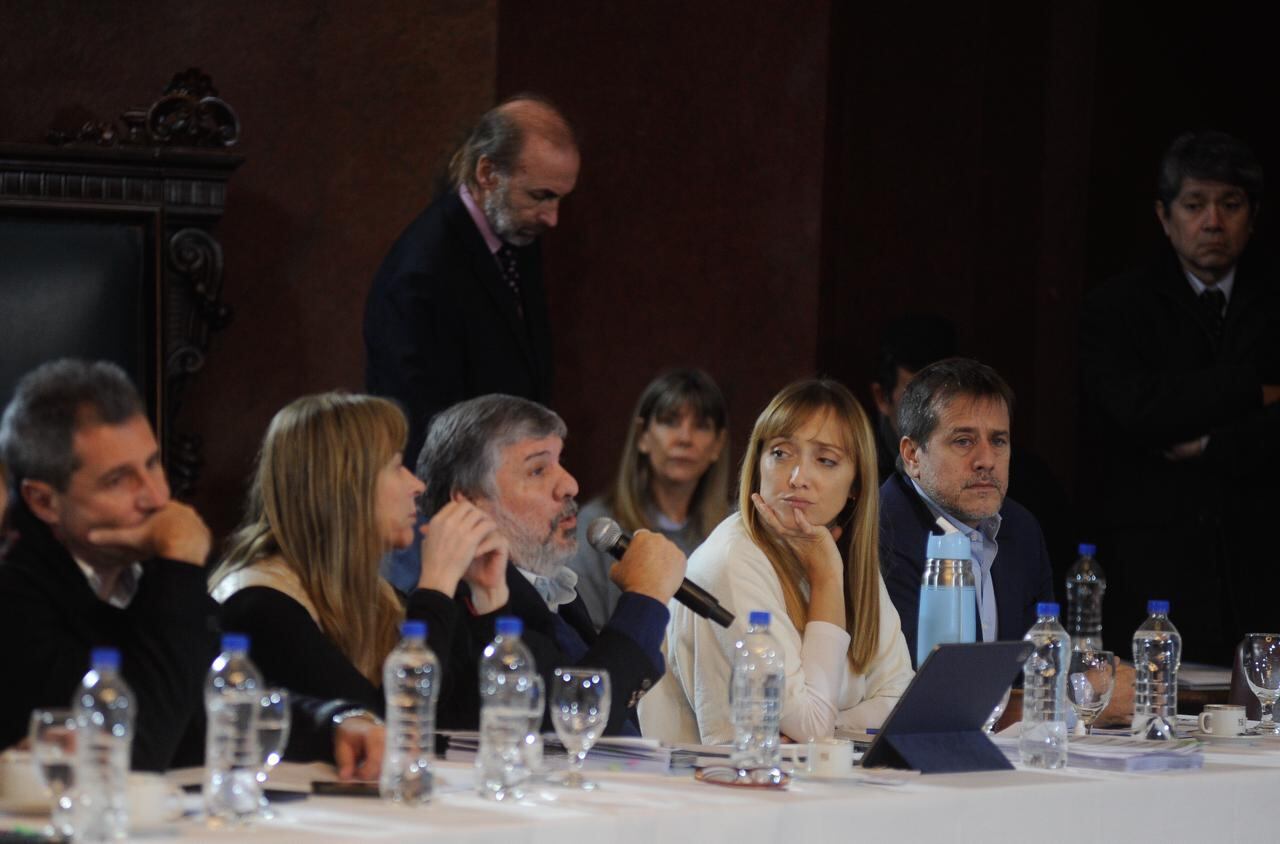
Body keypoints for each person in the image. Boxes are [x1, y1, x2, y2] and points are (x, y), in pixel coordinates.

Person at [0, 361, 383, 777]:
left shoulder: (141, 569)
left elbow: (205, 708)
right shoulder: (15, 594)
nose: (154, 495)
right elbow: (129, 758)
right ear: (43, 501)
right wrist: (178, 565)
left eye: (152, 464)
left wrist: (330, 723)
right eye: (117, 480)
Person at [1080, 130, 1280, 664]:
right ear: (1165, 217)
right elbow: (1134, 408)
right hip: (1154, 572)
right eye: (1195, 205)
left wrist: (1212, 445)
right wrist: (1252, 391)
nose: (1213, 221)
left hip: (1259, 568)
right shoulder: (1118, 305)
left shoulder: (1273, 302)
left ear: (1253, 215)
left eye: (1230, 204)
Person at [640, 379, 913, 744]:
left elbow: (899, 700)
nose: (798, 478)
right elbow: (811, 726)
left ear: (856, 487)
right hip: (711, 788)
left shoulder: (837, 551)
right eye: (781, 454)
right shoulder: (733, 560)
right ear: (758, 464)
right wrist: (827, 580)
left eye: (826, 460)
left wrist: (822, 728)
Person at [209, 392, 509, 719]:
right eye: (396, 466)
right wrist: (435, 587)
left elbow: (460, 723)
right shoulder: (259, 603)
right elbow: (380, 728)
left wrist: (487, 598)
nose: (417, 485)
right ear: (343, 487)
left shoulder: (375, 594)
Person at [415, 394, 688, 735]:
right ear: (468, 501)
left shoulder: (553, 588)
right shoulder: (462, 602)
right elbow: (566, 718)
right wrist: (644, 600)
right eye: (538, 469)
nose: (570, 484)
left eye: (561, 462)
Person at [364, 94, 579, 464]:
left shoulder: (516, 234)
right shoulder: (421, 274)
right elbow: (421, 431)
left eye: (559, 199)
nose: (552, 217)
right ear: (487, 174)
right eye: (540, 196)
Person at [880, 358, 1056, 667]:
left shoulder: (1022, 529)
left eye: (998, 440)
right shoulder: (881, 529)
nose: (986, 460)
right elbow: (918, 685)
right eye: (964, 441)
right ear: (912, 456)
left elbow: (1042, 665)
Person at [568, 369, 729, 631]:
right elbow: (584, 634)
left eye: (701, 426)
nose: (684, 438)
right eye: (670, 422)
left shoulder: (731, 530)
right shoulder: (601, 527)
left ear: (717, 445)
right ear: (643, 436)